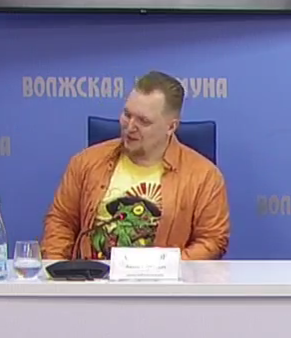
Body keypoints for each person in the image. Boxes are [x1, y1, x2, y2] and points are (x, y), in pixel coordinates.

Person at [43, 71, 230, 260]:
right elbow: (61, 222)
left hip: (162, 278)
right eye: (127, 115)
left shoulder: (205, 177)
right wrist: (56, 270)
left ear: (171, 127)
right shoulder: (86, 162)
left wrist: (167, 267)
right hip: (93, 275)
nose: (130, 127)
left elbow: (212, 240)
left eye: (143, 121)